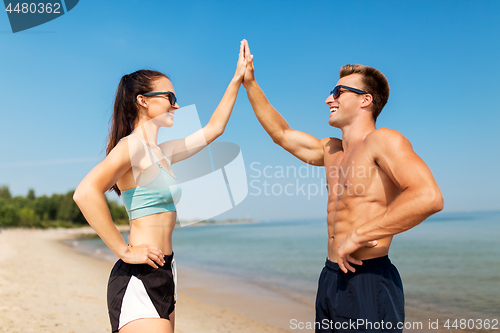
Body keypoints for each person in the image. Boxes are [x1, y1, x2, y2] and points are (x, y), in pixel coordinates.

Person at [240, 39, 443, 332]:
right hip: (331, 277)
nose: (328, 99)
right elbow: (281, 133)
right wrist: (250, 84)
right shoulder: (331, 150)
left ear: (365, 100)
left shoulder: (383, 141)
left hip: (369, 279)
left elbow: (429, 197)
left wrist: (359, 234)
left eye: (338, 92)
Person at [73, 41, 248, 333]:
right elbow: (85, 192)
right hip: (139, 274)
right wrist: (124, 250)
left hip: (165, 268)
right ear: (143, 100)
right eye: (169, 97)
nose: (176, 105)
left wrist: (237, 79)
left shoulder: (162, 151)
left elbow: (214, 129)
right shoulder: (131, 146)